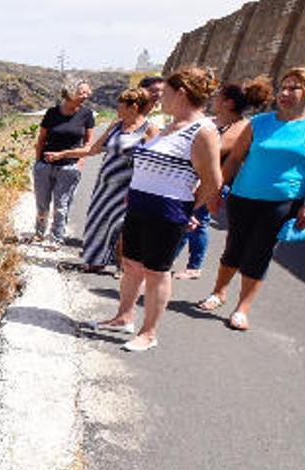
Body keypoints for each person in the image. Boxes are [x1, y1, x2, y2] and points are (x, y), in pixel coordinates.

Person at [86, 66, 223, 351]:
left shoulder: (203, 131)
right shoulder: (168, 127)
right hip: (138, 204)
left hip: (168, 211)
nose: (160, 99)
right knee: (131, 264)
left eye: (167, 93)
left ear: (181, 93)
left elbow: (213, 181)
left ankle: (149, 333)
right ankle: (123, 317)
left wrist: (189, 209)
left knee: (156, 272)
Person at [197, 67, 305, 331]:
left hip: (282, 202)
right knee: (234, 247)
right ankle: (218, 292)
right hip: (242, 196)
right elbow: (235, 159)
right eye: (284, 86)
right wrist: (216, 191)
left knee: (259, 252)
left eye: (294, 87)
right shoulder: (259, 122)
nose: (285, 92)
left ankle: (242, 308)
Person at [171, 76, 274, 280]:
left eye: (219, 97)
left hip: (215, 181)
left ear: (229, 102)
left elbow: (216, 151)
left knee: (198, 222)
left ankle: (194, 266)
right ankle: (171, 257)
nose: (214, 99)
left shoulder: (241, 127)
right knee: (185, 219)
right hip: (193, 177)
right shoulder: (212, 121)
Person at [45, 88, 158, 272]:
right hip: (105, 186)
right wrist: (62, 154)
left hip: (128, 188)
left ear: (133, 107)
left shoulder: (149, 129)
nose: (117, 109)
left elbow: (155, 162)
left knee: (122, 227)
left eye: (120, 106)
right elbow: (93, 150)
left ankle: (123, 269)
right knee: (99, 222)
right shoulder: (116, 125)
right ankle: (96, 262)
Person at [33, 80, 95, 249]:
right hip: (45, 166)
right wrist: (38, 163)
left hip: (69, 168)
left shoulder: (87, 114)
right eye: (82, 92)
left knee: (61, 206)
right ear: (70, 93)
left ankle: (56, 238)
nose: (86, 96)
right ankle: (39, 232)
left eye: (87, 93)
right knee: (42, 204)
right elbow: (41, 139)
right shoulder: (52, 113)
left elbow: (88, 144)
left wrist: (80, 164)